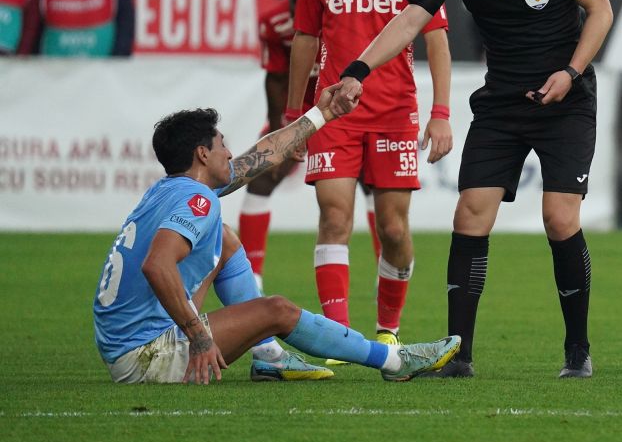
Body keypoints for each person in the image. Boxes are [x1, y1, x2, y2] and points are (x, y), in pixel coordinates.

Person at [331, 0, 614, 379]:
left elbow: (600, 11)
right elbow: (408, 20)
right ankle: (458, 355)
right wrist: (356, 70)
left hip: (565, 103)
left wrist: (570, 73)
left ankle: (577, 348)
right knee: (470, 214)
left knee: (559, 218)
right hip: (501, 105)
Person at [93, 96, 462, 384]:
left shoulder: (168, 191)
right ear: (203, 154)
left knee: (222, 240)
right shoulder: (198, 199)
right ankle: (395, 361)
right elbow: (156, 265)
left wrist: (320, 115)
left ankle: (268, 356)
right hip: (145, 357)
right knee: (277, 310)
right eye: (223, 144)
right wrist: (199, 338)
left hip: (123, 350)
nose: (230, 152)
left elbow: (263, 155)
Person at [287, 0, 452, 352]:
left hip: (393, 110)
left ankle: (388, 330)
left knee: (394, 228)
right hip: (333, 110)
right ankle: (340, 336)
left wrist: (441, 113)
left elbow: (436, 39)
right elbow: (305, 39)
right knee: (334, 217)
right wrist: (295, 115)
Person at [238, 0, 385, 289]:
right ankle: (251, 277)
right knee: (263, 177)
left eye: (302, 3)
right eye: (293, 3)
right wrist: (284, 127)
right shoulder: (274, 22)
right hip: (301, 108)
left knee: (373, 183)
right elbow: (275, 77)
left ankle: (383, 271)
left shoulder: (348, 14)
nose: (295, 11)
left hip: (345, 108)